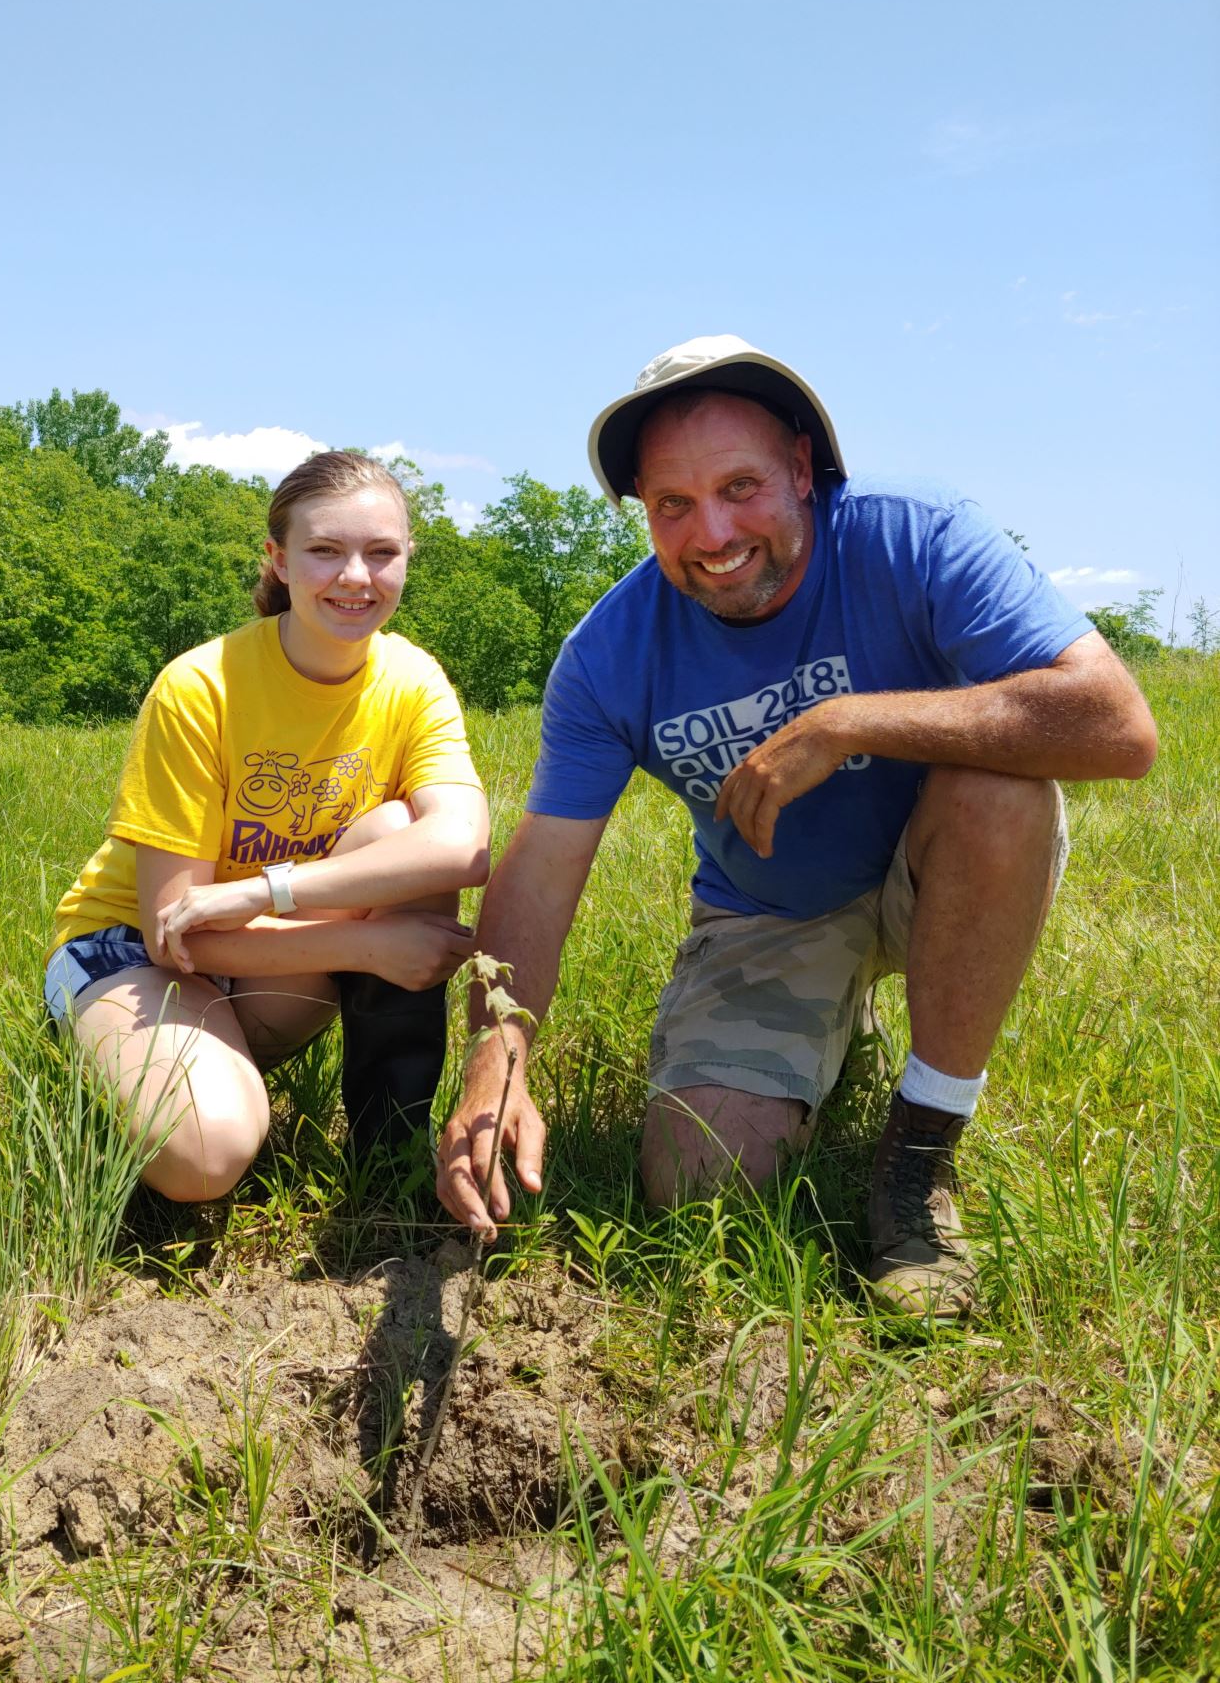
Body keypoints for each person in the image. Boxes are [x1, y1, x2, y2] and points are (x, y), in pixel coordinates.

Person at [436, 336, 1157, 1318]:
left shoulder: (917, 535)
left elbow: (1117, 726)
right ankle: (831, 1019)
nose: (712, 530)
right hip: (768, 911)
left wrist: (845, 721)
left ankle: (918, 1162)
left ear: (803, 470)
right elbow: (542, 867)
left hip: (935, 867)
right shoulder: (610, 652)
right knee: (698, 1189)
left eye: (741, 486)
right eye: (673, 505)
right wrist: (496, 1053)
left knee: (1001, 790)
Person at [45, 450, 489, 1226]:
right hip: (132, 950)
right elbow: (172, 930)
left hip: (261, 935)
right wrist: (366, 947)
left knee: (401, 832)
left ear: (408, 559)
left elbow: (461, 847)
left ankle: (386, 1156)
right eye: (325, 550)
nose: (356, 575)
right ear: (279, 561)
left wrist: (263, 890)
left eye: (381, 552)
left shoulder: (413, 679)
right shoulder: (201, 685)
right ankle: (100, 1061)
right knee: (209, 1157)